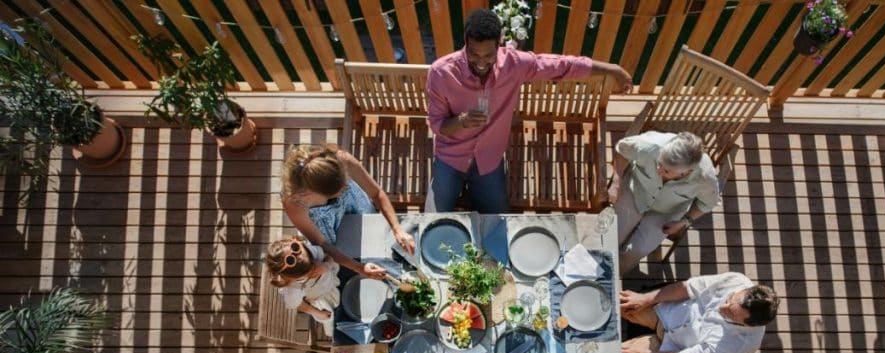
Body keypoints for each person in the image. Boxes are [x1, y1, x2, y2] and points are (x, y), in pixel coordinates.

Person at [425, 9, 633, 213]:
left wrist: (611, 69)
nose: (481, 62)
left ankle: (471, 194)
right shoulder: (441, 73)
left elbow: (562, 65)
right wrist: (462, 121)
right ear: (465, 43)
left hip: (488, 160)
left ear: (499, 45)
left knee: (500, 222)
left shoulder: (514, 64)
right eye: (474, 54)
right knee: (430, 222)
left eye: (488, 55)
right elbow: (437, 125)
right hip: (450, 158)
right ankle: (464, 193)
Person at [280, 144, 415, 280]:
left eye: (345, 186)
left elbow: (377, 193)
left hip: (357, 208)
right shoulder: (294, 203)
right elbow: (322, 243)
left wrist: (397, 229)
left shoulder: (342, 160)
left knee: (375, 242)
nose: (342, 192)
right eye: (335, 194)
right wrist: (359, 268)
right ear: (309, 194)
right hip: (328, 232)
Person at [610, 131, 721, 274]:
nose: (658, 169)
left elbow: (707, 204)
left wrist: (684, 222)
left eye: (666, 170)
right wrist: (616, 180)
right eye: (659, 163)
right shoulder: (649, 145)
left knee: (636, 251)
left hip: (666, 212)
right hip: (635, 193)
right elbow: (622, 150)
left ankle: (613, 276)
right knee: (609, 237)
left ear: (686, 173)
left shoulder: (705, 177)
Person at [620, 272, 779, 353]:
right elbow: (687, 288)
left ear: (747, 325)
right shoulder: (736, 280)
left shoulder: (737, 348)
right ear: (744, 290)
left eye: (730, 313)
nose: (721, 308)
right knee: (614, 302)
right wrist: (644, 299)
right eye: (730, 299)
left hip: (670, 348)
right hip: (665, 312)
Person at [264, 236, 341, 337]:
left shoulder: (308, 249)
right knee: (332, 317)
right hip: (322, 296)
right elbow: (300, 305)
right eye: (309, 273)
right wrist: (319, 313)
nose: (314, 271)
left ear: (297, 243)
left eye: (314, 265)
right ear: (291, 279)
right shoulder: (292, 289)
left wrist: (326, 265)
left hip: (329, 278)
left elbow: (329, 257)